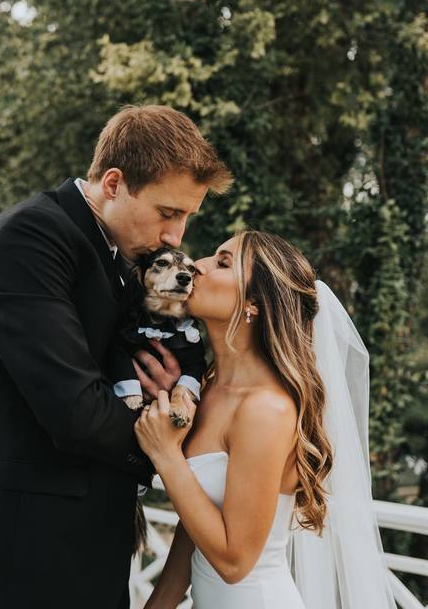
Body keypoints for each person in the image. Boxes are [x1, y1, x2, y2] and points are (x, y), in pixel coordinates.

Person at [0, 104, 232, 608]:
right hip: (33, 550)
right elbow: (75, 411)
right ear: (114, 183)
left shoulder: (122, 251)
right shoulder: (30, 238)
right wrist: (172, 444)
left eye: (187, 217)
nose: (176, 236)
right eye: (169, 212)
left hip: (93, 540)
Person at [136, 230, 396, 608]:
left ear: (254, 303)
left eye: (222, 263)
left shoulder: (265, 408)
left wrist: (166, 455)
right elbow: (192, 532)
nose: (198, 267)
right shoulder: (206, 392)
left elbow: (235, 561)